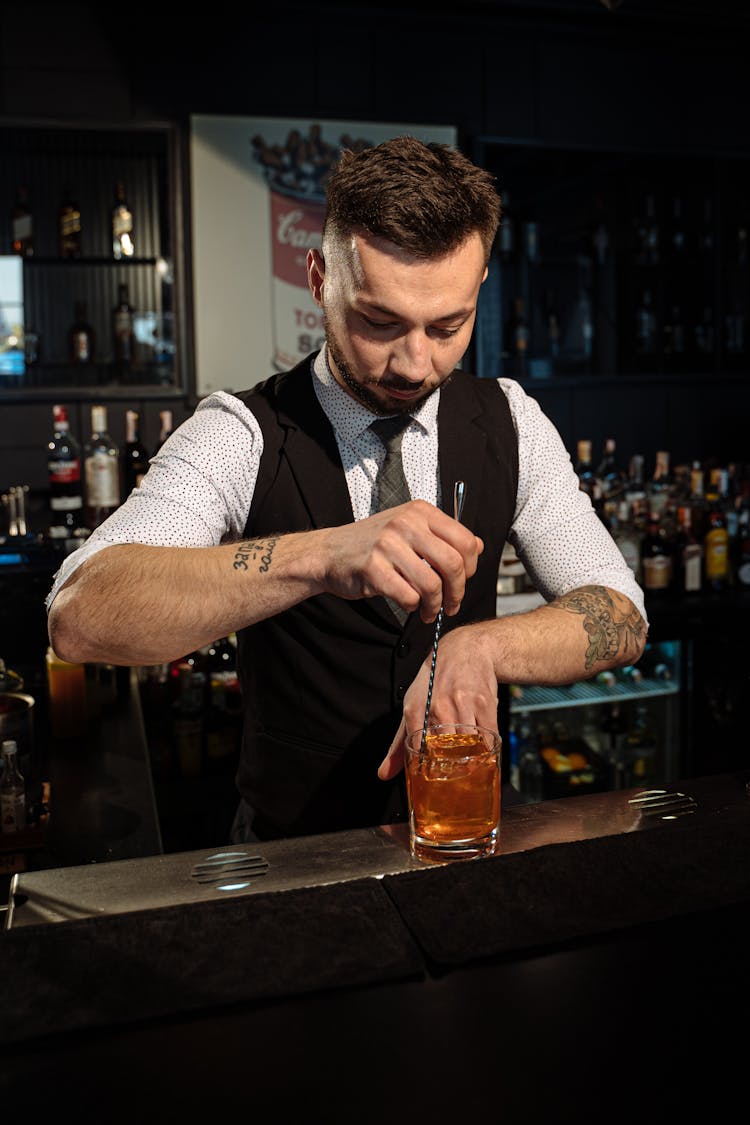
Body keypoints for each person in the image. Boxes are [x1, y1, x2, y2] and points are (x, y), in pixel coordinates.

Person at [46, 136, 647, 842]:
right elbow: (79, 614)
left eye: (448, 326)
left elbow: (623, 612)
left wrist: (479, 647)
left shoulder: (509, 419)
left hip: (467, 833)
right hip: (294, 859)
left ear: (479, 285)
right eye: (378, 321)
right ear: (319, 278)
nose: (415, 361)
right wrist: (323, 555)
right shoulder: (241, 432)